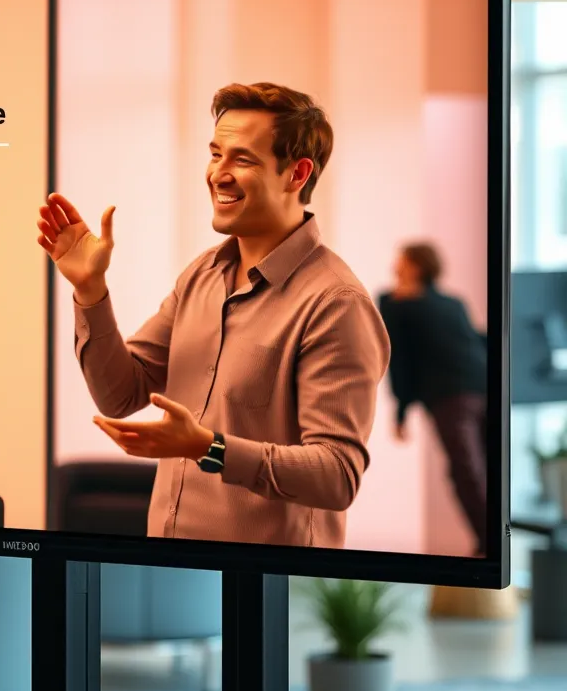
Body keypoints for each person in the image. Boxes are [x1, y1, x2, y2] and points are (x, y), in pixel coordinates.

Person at [37, 82, 390, 548]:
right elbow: (121, 395)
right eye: (215, 154)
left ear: (296, 174)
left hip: (263, 584)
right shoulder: (202, 275)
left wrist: (210, 448)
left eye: (242, 159)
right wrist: (89, 290)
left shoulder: (335, 304)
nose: (218, 174)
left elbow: (336, 476)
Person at [378, 243, 488, 555]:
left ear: (416, 265)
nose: (395, 264)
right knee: (470, 469)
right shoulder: (452, 303)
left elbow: (400, 360)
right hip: (481, 388)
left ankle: (488, 543)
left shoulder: (395, 304)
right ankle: (487, 539)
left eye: (402, 259)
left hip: (453, 396)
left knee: (467, 469)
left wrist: (400, 410)